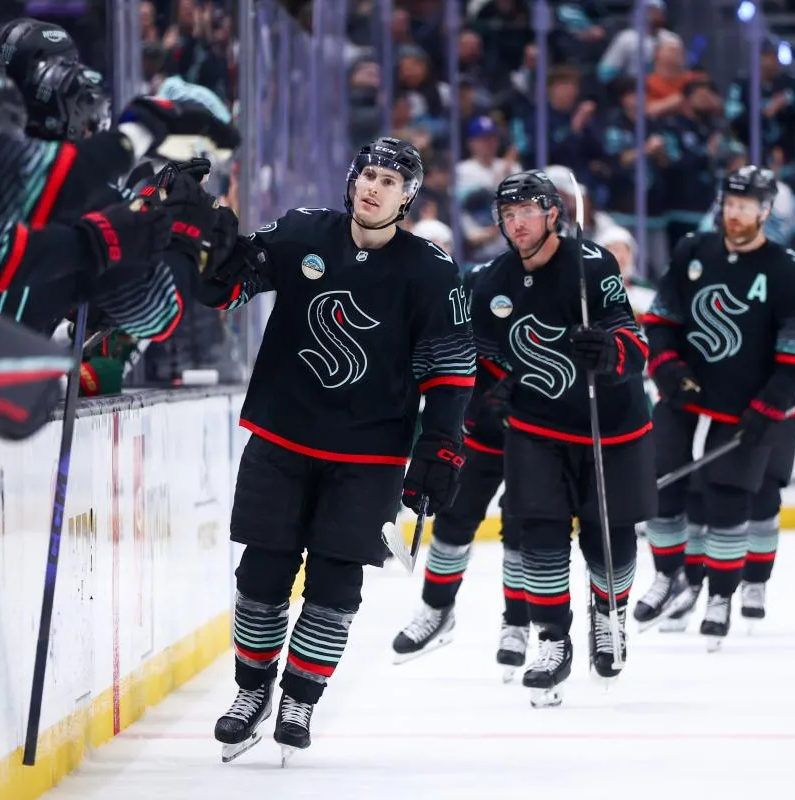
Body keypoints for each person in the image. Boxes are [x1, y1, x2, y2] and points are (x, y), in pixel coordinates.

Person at [196, 137, 475, 762]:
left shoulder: (430, 270)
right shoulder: (302, 233)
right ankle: (251, 693)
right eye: (368, 174)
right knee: (262, 573)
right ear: (352, 181)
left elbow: (452, 372)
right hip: (281, 435)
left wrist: (441, 448)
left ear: (408, 197)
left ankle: (299, 698)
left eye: (390, 181)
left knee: (334, 581)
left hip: (369, 454)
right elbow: (226, 289)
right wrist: (204, 234)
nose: (374, 187)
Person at [469, 169, 655, 708]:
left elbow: (632, 339)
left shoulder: (592, 264)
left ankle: (610, 617)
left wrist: (610, 352)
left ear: (554, 214)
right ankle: (552, 640)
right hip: (536, 427)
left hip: (609, 424)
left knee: (608, 533)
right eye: (507, 214)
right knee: (538, 533)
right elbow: (477, 355)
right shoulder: (492, 280)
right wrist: (492, 389)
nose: (516, 222)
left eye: (527, 210)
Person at [635, 165, 795, 650]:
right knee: (661, 482)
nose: (734, 214)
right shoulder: (692, 251)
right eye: (729, 204)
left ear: (765, 210)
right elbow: (660, 321)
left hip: (747, 406)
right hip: (686, 393)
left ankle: (720, 595)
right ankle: (669, 576)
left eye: (745, 206)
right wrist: (668, 368)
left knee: (729, 496)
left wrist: (772, 403)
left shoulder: (787, 269)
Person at [390, 261, 531, 680]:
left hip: (538, 436)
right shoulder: (482, 278)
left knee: (522, 528)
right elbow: (457, 346)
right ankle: (436, 610)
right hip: (481, 430)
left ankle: (518, 624)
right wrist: (489, 392)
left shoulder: (564, 276)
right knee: (452, 520)